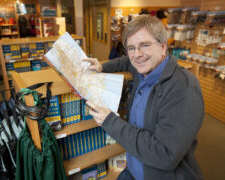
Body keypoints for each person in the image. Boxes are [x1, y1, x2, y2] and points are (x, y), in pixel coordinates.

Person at [84, 15, 204, 180]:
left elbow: (165, 155)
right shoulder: (144, 68)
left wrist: (110, 122)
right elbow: (127, 61)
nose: (137, 54)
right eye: (131, 47)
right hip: (133, 170)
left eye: (145, 45)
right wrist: (102, 66)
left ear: (163, 47)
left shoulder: (183, 89)